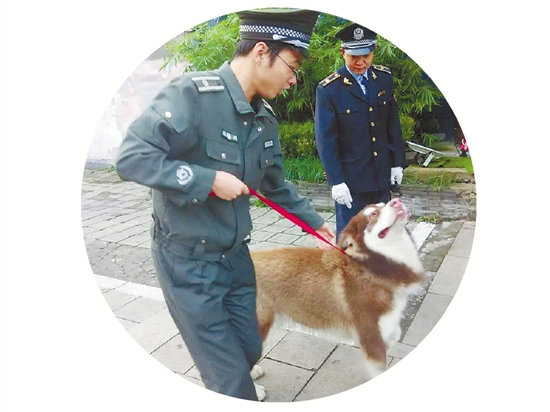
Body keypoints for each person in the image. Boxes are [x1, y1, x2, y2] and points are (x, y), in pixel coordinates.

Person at [115, 8, 333, 401]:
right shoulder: (192, 96)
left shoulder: (263, 119)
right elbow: (132, 158)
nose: (293, 79)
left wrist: (315, 224)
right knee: (232, 382)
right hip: (188, 264)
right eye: (292, 66)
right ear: (261, 52)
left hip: (236, 260)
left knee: (249, 348)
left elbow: (275, 185)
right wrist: (206, 180)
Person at [314, 23, 407, 237]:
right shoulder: (330, 89)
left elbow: (392, 124)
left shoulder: (383, 79)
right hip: (351, 182)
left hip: (381, 176)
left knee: (383, 234)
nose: (360, 62)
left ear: (374, 51)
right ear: (343, 52)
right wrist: (336, 181)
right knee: (352, 238)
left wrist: (397, 163)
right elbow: (326, 140)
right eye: (354, 56)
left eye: (366, 55)